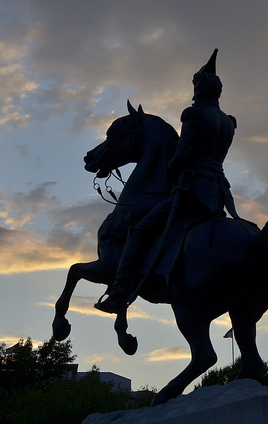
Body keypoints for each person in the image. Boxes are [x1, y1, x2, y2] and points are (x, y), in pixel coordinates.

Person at [95, 49, 239, 314]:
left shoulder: (194, 115)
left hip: (192, 190)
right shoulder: (229, 122)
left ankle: (117, 294)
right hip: (218, 193)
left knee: (139, 230)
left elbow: (182, 157)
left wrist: (169, 169)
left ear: (199, 88)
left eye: (195, 86)